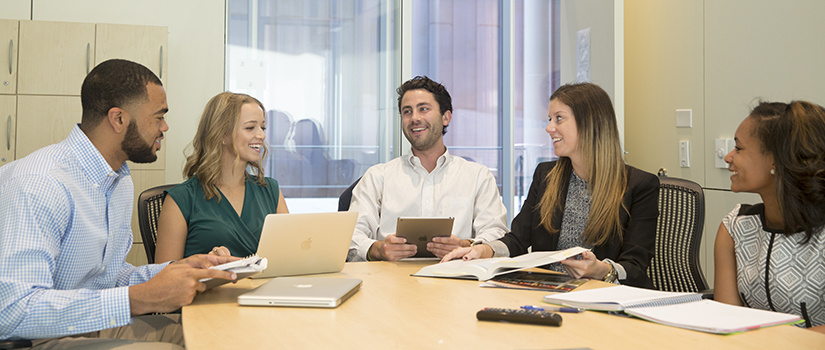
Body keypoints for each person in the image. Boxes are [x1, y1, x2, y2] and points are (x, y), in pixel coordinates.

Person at [0, 59, 238, 349]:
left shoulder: (118, 180)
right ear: (119, 119)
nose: (165, 127)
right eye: (158, 116)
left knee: (218, 335)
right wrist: (141, 298)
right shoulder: (40, 183)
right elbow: (11, 312)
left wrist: (177, 270)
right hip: (31, 339)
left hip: (87, 326)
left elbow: (108, 277)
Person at [442, 82, 659, 288]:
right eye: (549, 119)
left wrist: (601, 269)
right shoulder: (546, 176)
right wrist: (483, 250)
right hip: (548, 290)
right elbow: (518, 239)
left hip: (605, 298)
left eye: (559, 119)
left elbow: (635, 266)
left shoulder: (639, 186)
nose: (549, 128)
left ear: (589, 123)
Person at [347, 76, 508, 261]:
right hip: (389, 280)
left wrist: (464, 246)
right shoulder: (378, 176)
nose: (414, 118)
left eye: (423, 109)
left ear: (446, 117)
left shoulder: (477, 176)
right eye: (407, 111)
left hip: (458, 280)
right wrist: (378, 249)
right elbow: (350, 237)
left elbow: (498, 236)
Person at [714, 100, 825, 332]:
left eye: (739, 148)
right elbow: (726, 322)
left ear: (775, 159)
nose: (728, 157)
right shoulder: (735, 228)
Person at [154, 92, 289, 263]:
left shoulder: (270, 190)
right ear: (222, 134)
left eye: (262, 127)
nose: (261, 135)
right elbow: (165, 277)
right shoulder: (181, 199)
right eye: (250, 128)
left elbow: (288, 257)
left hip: (266, 289)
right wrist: (204, 265)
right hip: (211, 290)